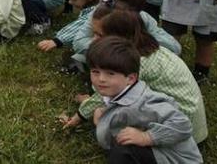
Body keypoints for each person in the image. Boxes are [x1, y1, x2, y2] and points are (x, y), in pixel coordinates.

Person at [66, 4, 208, 146]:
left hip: (180, 134)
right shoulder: (149, 49)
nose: (93, 40)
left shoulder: (135, 62)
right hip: (189, 124)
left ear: (118, 37)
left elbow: (105, 94)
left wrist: (80, 115)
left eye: (99, 35)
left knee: (105, 114)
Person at [76, 36, 203, 164]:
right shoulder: (117, 92)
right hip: (156, 152)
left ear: (131, 78)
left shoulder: (145, 102)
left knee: (123, 151)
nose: (101, 79)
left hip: (174, 159)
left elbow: (182, 124)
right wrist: (105, 117)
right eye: (95, 71)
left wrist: (147, 137)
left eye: (110, 73)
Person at [36, 0, 102, 74]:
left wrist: (57, 41)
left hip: (101, 49)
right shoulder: (99, 5)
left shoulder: (94, 13)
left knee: (74, 57)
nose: (70, 2)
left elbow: (78, 26)